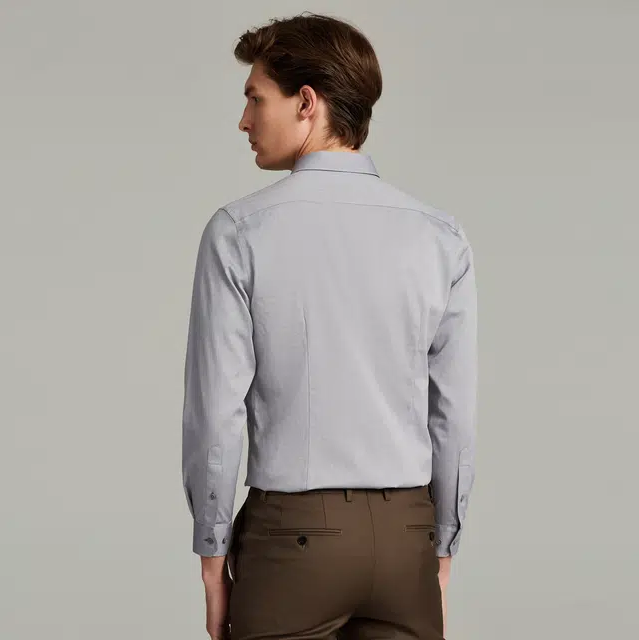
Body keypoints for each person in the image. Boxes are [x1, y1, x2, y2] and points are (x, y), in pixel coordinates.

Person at [181, 12, 477, 640]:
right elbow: (453, 413)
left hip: (294, 540)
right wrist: (442, 548)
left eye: (255, 99)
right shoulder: (440, 236)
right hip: (406, 538)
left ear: (306, 102)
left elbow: (216, 415)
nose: (244, 121)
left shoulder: (238, 233)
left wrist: (211, 558)